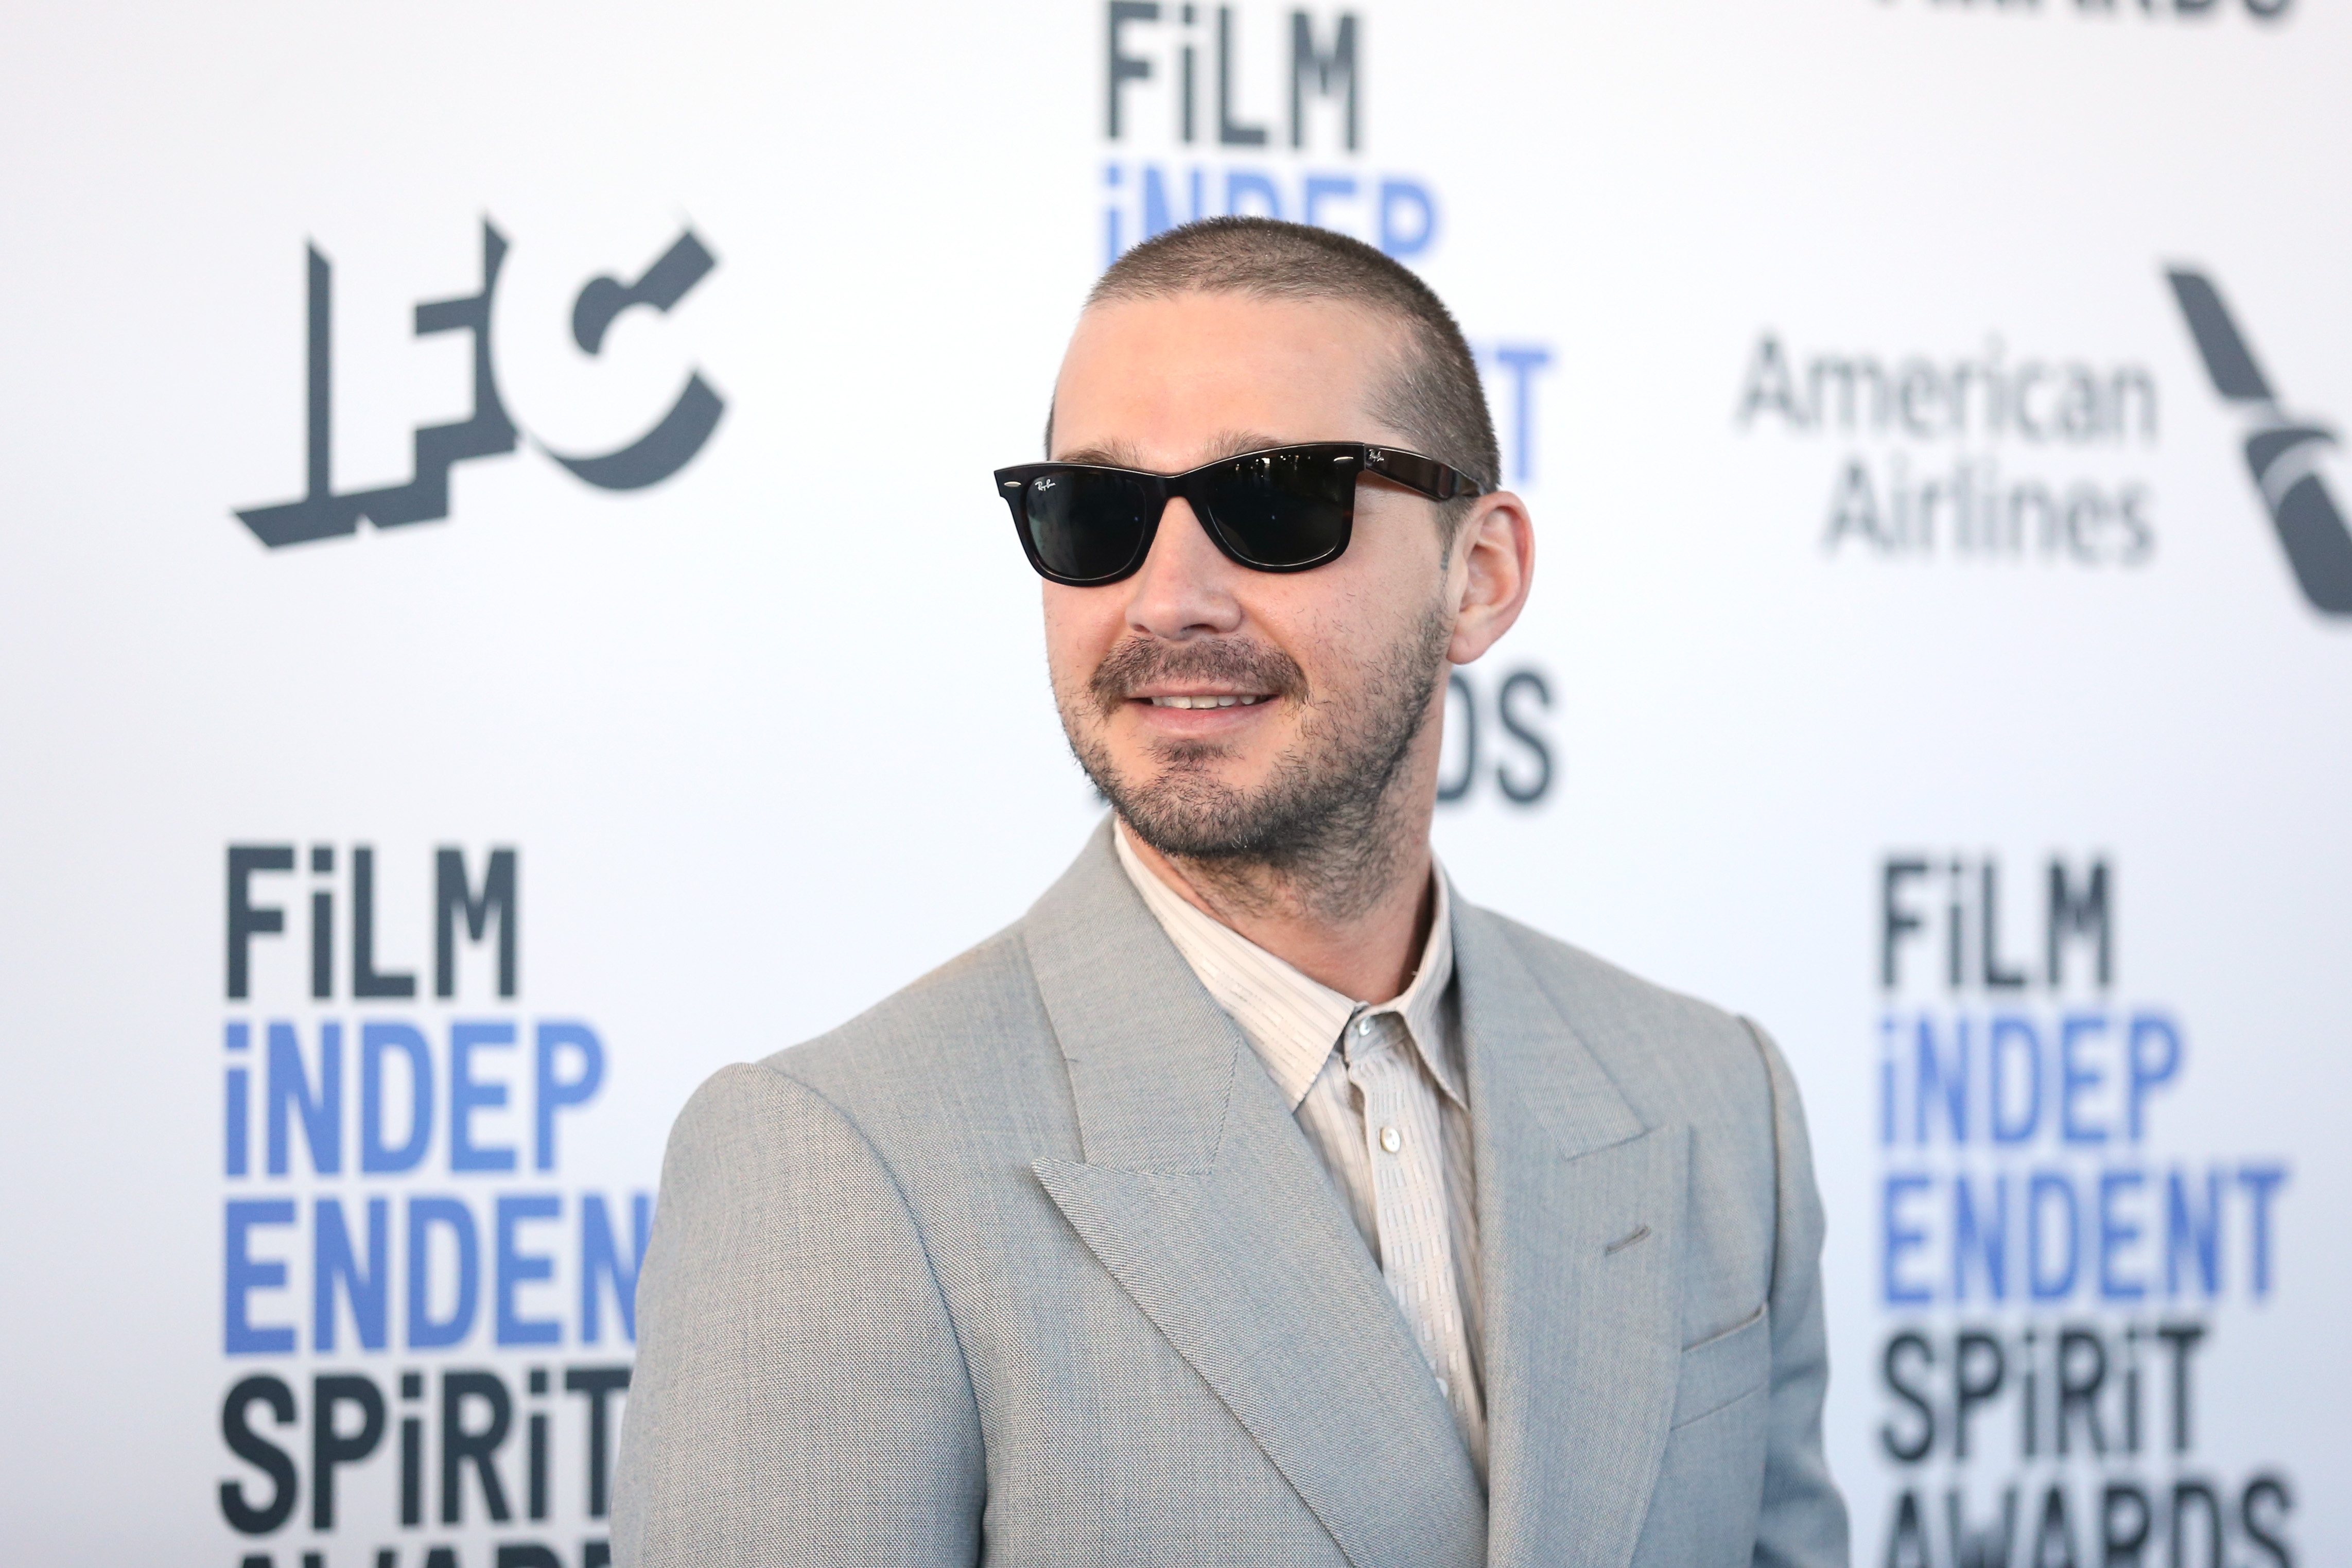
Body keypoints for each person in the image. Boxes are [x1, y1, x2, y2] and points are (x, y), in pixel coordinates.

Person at [614, 216, 1848, 1567]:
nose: (1167, 599)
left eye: (1276, 504)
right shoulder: (833, 1167)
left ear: (1478, 578)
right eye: (1096, 516)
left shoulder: (1714, 1103)